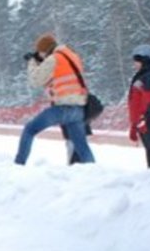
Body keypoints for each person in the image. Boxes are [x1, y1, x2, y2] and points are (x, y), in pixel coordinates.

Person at [14, 33, 95, 166]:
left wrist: (32, 62)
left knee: (29, 129)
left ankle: (18, 164)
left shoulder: (53, 59)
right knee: (82, 146)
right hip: (79, 109)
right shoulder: (72, 55)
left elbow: (35, 81)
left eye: (40, 52)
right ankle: (93, 170)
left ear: (44, 50)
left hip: (62, 109)